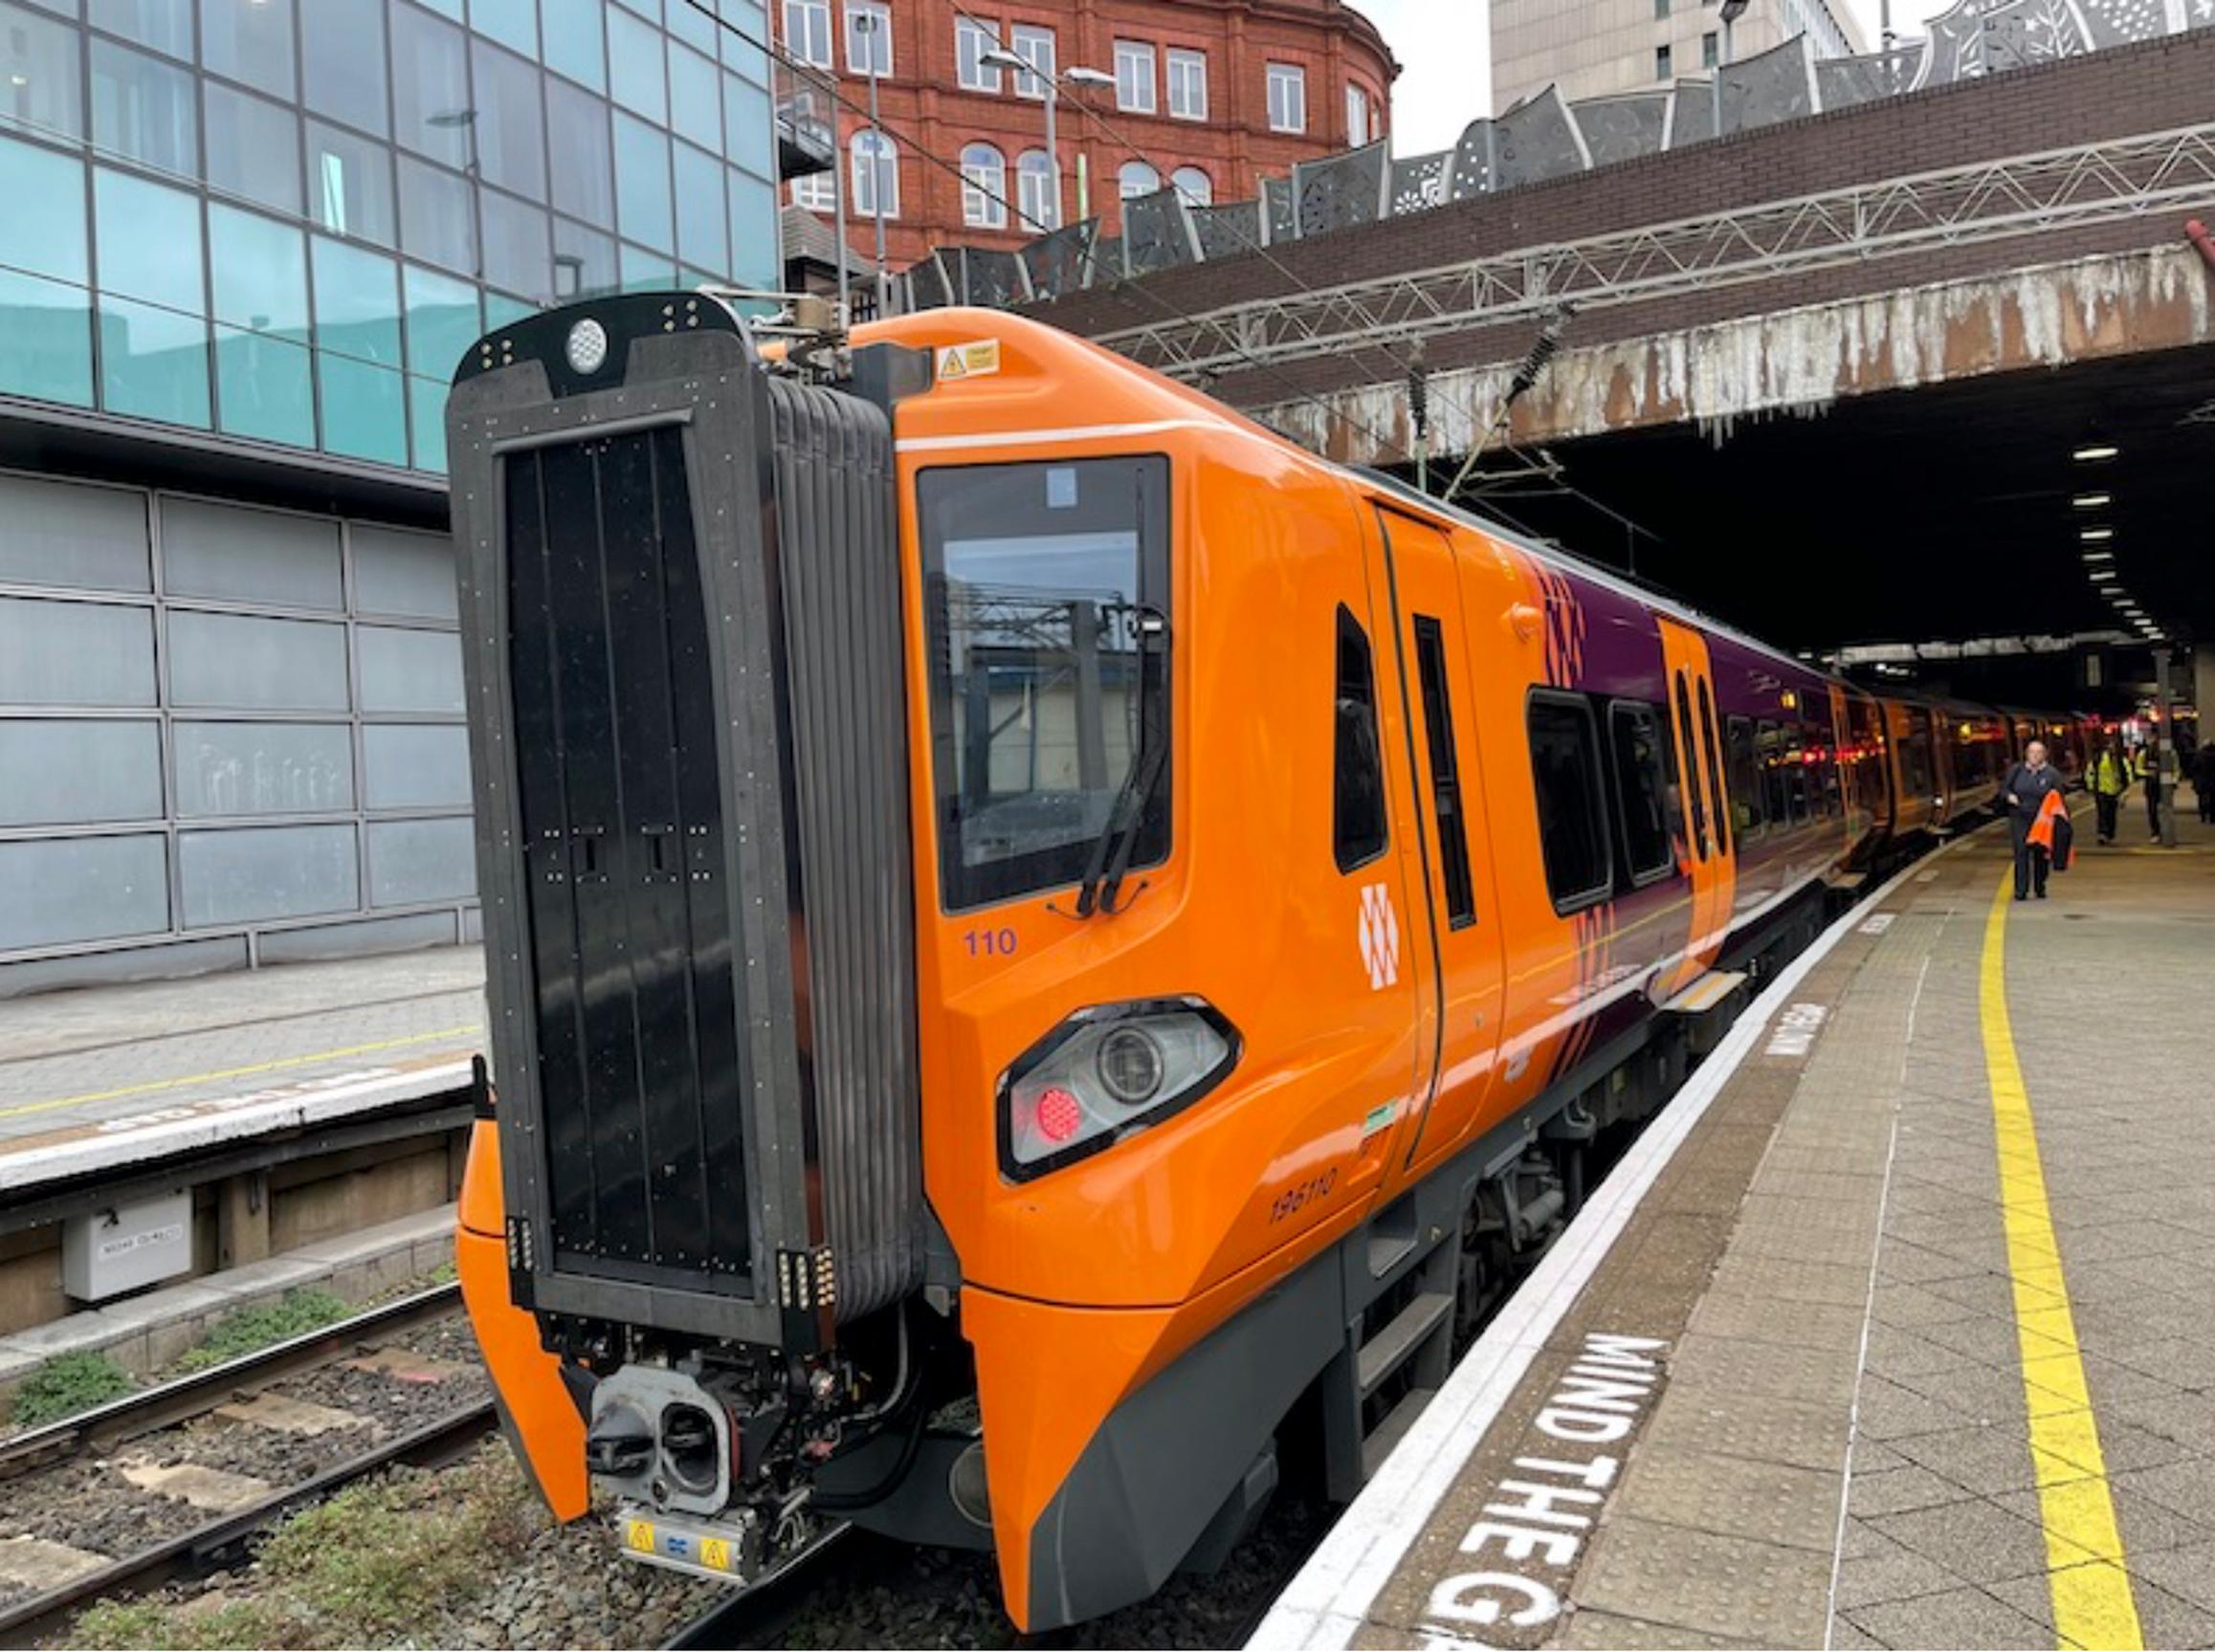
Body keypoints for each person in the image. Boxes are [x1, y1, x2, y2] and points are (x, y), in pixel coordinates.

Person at [1999, 739, 2068, 899]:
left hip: (2042, 820)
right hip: (2020, 818)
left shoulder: (2052, 774)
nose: (2035, 756)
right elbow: (2004, 789)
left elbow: (2059, 798)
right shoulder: (2016, 771)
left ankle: (2039, 886)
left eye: (2038, 753)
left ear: (2044, 755)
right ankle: (2020, 890)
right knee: (2021, 852)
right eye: (2031, 752)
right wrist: (2010, 796)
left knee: (2040, 854)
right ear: (2026, 754)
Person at [2088, 737, 2129, 846]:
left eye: (2113, 746)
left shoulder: (2120, 760)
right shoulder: (2099, 759)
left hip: (2115, 791)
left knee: (2111, 814)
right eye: (2109, 746)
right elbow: (2091, 771)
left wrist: (2124, 791)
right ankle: (2102, 834)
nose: (2111, 748)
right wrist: (2091, 786)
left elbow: (2127, 774)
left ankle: (2110, 834)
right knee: (2102, 813)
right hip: (2101, 790)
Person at [2194, 739, 2215, 826]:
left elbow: (2194, 768)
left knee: (2202, 799)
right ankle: (2213, 817)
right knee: (2213, 799)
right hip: (2213, 781)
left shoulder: (2199, 755)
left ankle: (2203, 816)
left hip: (2202, 781)